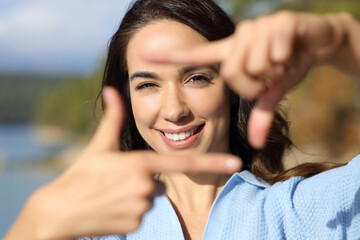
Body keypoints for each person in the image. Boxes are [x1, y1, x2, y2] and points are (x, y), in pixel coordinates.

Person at [4, 0, 360, 239]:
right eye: (147, 84)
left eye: (197, 78)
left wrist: (343, 40)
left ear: (233, 88)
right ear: (126, 101)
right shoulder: (96, 231)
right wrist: (36, 221)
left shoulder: (307, 212)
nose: (174, 110)